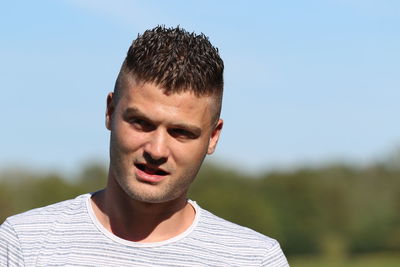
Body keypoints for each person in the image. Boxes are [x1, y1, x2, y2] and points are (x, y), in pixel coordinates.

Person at [0, 26, 289, 266]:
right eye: (141, 123)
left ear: (213, 137)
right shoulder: (25, 244)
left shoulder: (254, 259)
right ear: (110, 111)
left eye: (181, 132)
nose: (157, 150)